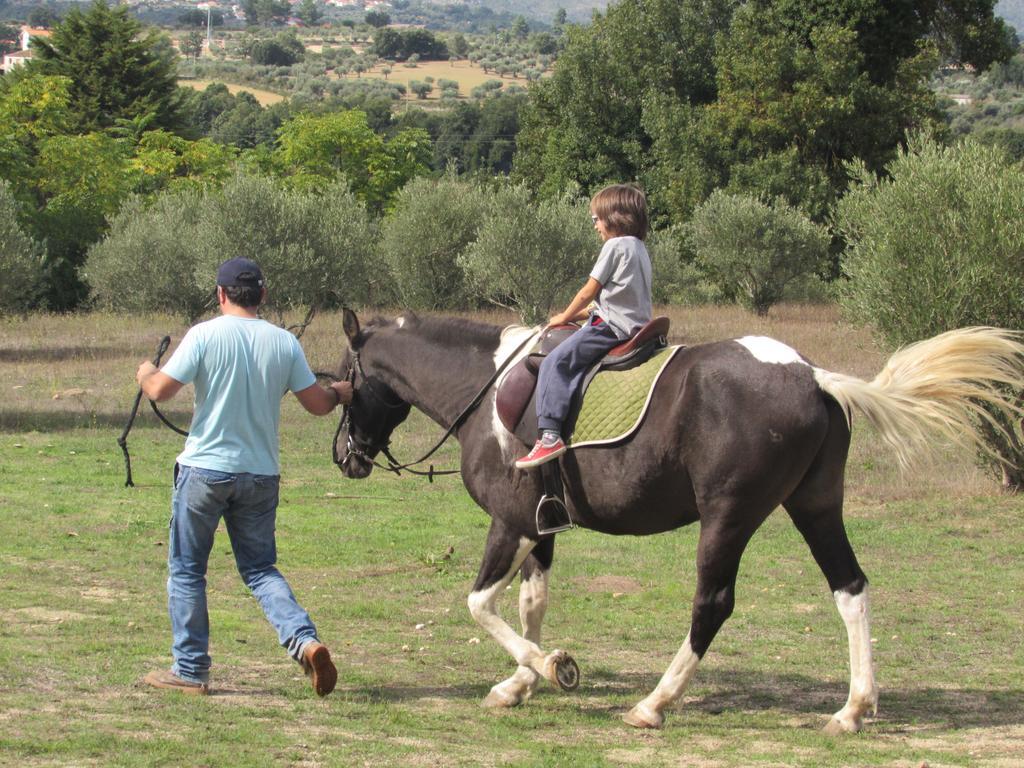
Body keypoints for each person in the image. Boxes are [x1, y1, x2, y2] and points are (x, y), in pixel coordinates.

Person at [135, 257, 353, 697]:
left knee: (187, 570)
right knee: (259, 569)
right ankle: (305, 642)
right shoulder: (284, 343)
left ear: (220, 294)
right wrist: (339, 394)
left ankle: (191, 670)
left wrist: (144, 373)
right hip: (259, 474)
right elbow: (316, 404)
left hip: (204, 471)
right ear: (263, 296)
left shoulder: (204, 334)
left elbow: (160, 390)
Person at [515, 184, 652, 469]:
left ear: (614, 217)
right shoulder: (639, 248)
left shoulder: (614, 246)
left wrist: (564, 316)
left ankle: (550, 434)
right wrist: (578, 317)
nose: (595, 227)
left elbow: (588, 292)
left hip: (610, 329)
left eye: (595, 219)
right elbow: (617, 298)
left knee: (555, 362)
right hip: (636, 326)